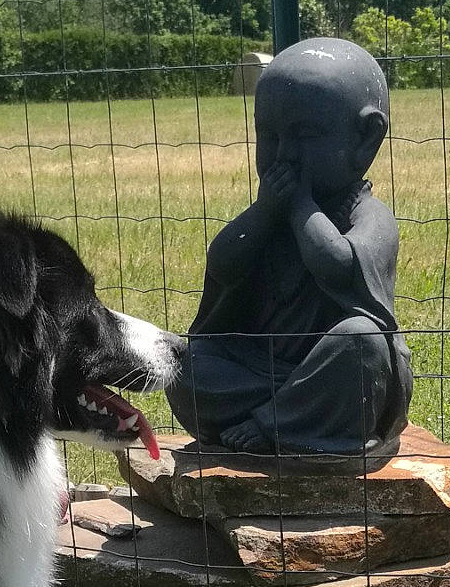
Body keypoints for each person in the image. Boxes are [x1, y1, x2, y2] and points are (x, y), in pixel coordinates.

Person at [165, 37, 412, 455]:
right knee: (183, 365)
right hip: (262, 368)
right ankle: (299, 411)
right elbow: (222, 263)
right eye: (270, 136)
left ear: (367, 138)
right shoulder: (268, 214)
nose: (284, 154)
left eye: (305, 137)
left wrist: (300, 207)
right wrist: (264, 213)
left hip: (341, 371)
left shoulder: (369, 217)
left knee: (360, 340)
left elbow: (338, 265)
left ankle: (276, 422)